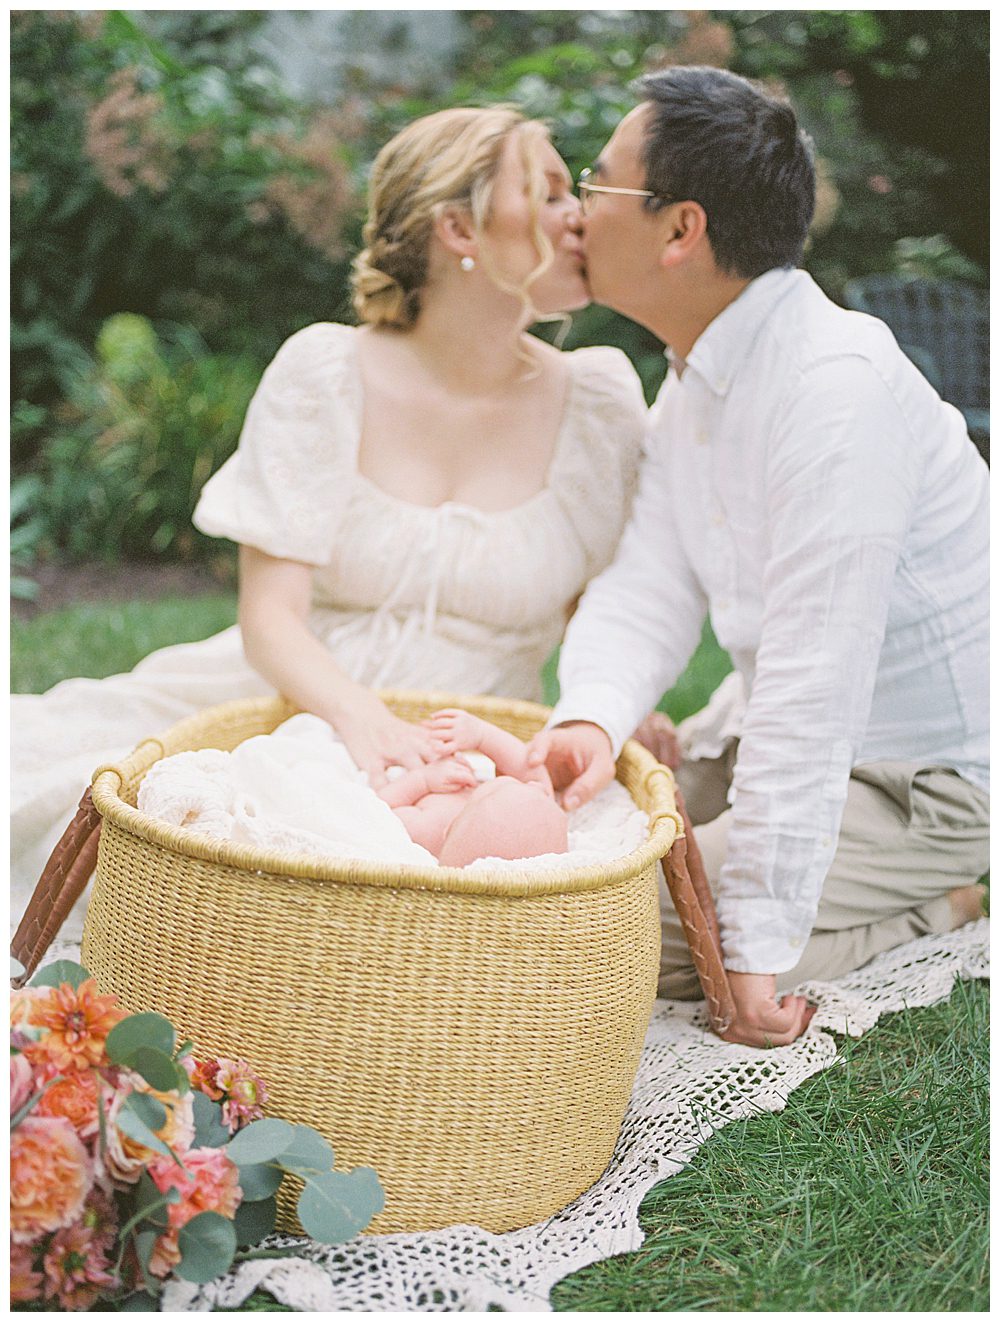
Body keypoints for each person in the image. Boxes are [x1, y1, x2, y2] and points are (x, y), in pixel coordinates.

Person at [11, 106, 656, 939]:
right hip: (288, 701)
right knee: (92, 814)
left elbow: (605, 611)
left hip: (467, 751)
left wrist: (617, 704)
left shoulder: (600, 400)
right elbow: (268, 619)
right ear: (458, 225)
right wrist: (363, 724)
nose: (581, 215)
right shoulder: (325, 372)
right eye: (551, 190)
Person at [527, 67, 989, 1048]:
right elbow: (648, 584)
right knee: (557, 849)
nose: (574, 209)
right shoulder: (693, 382)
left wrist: (749, 958)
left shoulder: (837, 392)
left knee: (589, 926)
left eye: (594, 181)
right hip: (763, 734)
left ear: (678, 228)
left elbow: (811, 696)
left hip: (923, 781)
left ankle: (938, 902)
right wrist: (590, 718)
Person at [378, 708, 568, 866]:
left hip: (404, 767)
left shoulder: (430, 829)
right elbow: (527, 764)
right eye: (543, 795)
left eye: (515, 784)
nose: (537, 784)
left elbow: (379, 809)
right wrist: (482, 736)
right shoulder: (540, 818)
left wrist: (422, 780)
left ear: (450, 828)